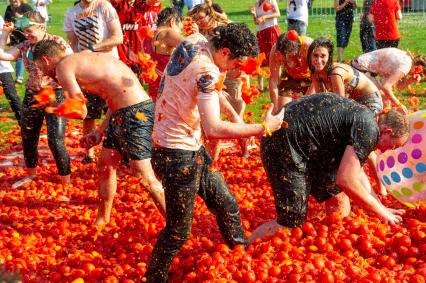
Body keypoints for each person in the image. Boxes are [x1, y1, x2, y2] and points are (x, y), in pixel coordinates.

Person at [144, 23, 285, 283]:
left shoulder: (196, 40)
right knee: (178, 231)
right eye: (236, 63)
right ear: (225, 52)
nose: (235, 69)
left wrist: (234, 114)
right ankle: (154, 278)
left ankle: (239, 253)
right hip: (175, 154)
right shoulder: (207, 70)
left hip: (187, 145)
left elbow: (209, 93)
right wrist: (264, 128)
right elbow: (214, 129)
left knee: (226, 203)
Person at [32, 39, 166, 225]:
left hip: (135, 113)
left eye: (40, 67)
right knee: (105, 166)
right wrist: (100, 131)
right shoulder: (83, 59)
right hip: (125, 111)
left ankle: (178, 227)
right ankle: (102, 220)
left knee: (144, 177)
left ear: (46, 60)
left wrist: (52, 108)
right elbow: (115, 95)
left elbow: (81, 111)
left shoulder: (63, 67)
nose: (43, 73)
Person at [249, 93, 409, 243]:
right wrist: (380, 212)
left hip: (306, 143)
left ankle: (332, 245)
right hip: (284, 144)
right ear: (386, 131)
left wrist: (380, 206)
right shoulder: (369, 129)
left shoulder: (367, 119)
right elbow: (346, 179)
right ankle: (244, 250)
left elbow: (357, 173)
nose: (387, 150)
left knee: (337, 198)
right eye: (392, 146)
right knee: (290, 223)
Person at [0, 11, 71, 187]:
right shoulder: (25, 45)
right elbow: (4, 55)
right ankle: (31, 175)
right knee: (29, 136)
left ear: (41, 27)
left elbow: (73, 63)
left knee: (56, 139)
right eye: (25, 32)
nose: (27, 35)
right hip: (33, 95)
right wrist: (5, 34)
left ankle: (66, 181)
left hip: (56, 94)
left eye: (30, 31)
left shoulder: (58, 42)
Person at [64, 0, 123, 163]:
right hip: (87, 71)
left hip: (109, 68)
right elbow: (72, 43)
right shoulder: (72, 13)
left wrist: (92, 48)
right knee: (89, 114)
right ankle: (88, 153)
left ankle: (122, 149)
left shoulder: (103, 6)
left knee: (116, 112)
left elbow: (117, 37)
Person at [306, 37, 383, 115]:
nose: (319, 60)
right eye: (315, 55)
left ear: (329, 57)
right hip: (353, 103)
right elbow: (322, 101)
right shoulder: (316, 73)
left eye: (323, 56)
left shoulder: (335, 73)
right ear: (310, 56)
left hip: (371, 102)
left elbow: (340, 105)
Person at [352, 48, 426, 113]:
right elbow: (386, 87)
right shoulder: (405, 66)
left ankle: (384, 122)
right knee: (384, 100)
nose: (416, 75)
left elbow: (397, 87)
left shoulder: (407, 60)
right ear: (418, 68)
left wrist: (411, 80)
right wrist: (398, 104)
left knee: (386, 99)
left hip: (361, 66)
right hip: (360, 68)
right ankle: (383, 125)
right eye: (420, 74)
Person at [141, 7, 184, 102]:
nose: (180, 33)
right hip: (170, 93)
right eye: (180, 29)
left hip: (154, 94)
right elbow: (192, 47)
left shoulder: (146, 39)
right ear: (172, 21)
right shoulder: (167, 33)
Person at [111, 0, 161, 75]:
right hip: (120, 54)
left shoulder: (139, 4)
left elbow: (153, 2)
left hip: (136, 53)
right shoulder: (117, 5)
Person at [268, 31, 313, 110]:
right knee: (284, 110)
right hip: (289, 77)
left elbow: (317, 77)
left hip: (310, 78)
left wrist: (306, 99)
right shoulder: (276, 51)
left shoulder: (308, 46)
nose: (289, 59)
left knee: (308, 109)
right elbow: (273, 80)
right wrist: (274, 108)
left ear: (296, 50)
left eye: (291, 55)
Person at [250, 0, 281, 92]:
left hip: (271, 30)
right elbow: (256, 22)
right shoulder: (257, 3)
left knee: (274, 58)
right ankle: (260, 86)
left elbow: (278, 13)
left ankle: (278, 83)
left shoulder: (271, 1)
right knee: (260, 58)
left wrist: (264, 16)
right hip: (261, 33)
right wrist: (254, 14)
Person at [4, 0, 33, 84]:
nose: (14, 0)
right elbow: (7, 22)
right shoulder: (9, 8)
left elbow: (32, 21)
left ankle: (20, 78)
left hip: (27, 36)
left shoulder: (26, 7)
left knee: (25, 56)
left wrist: (20, 18)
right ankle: (19, 77)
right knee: (20, 56)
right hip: (15, 36)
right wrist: (6, 32)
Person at [0, 16, 21, 125]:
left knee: (12, 96)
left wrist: (6, 34)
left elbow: (6, 40)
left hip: (1, 66)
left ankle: (25, 126)